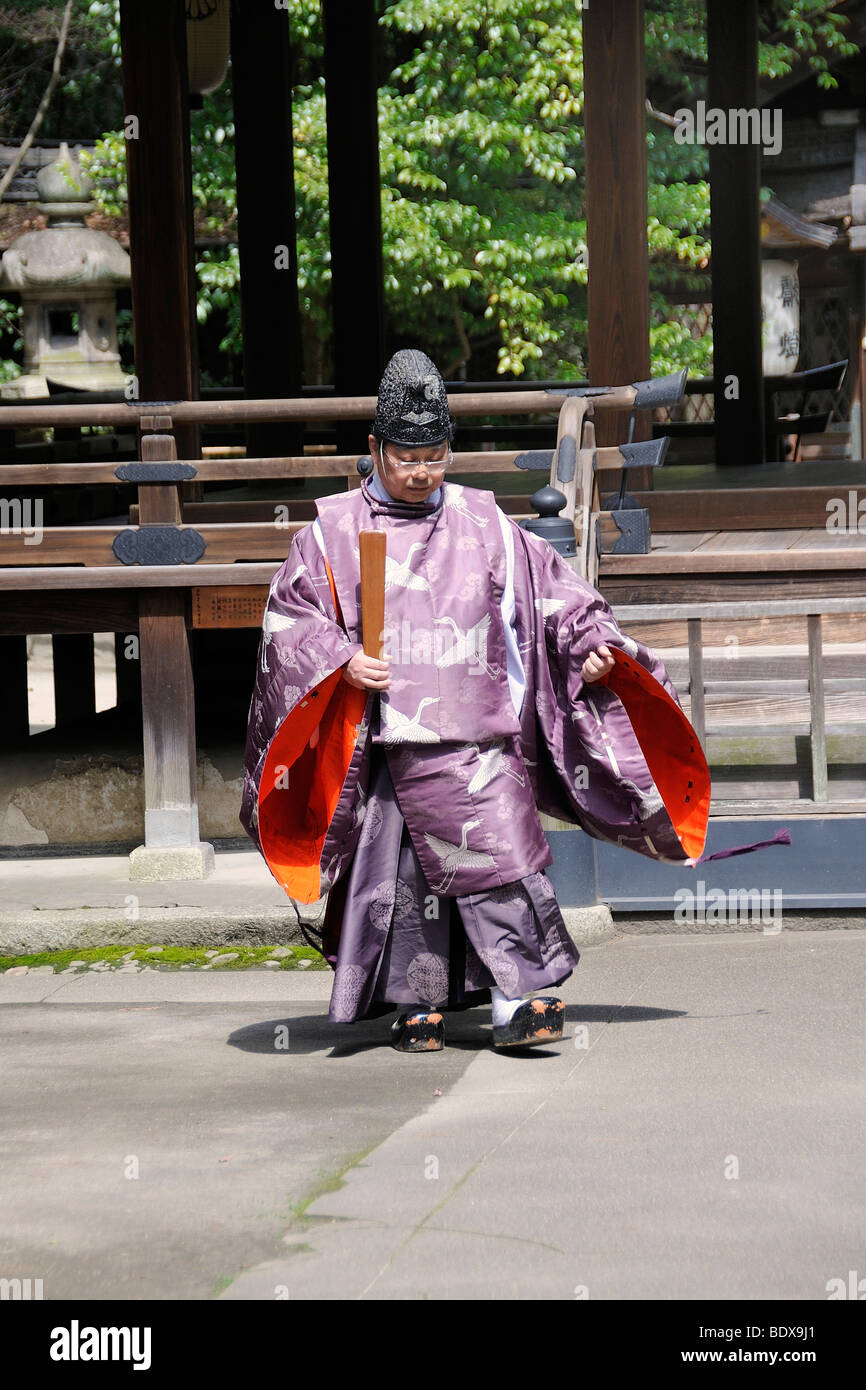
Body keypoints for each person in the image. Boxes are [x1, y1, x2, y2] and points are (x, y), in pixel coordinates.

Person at [240, 349, 709, 1052]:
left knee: (500, 857)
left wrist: (589, 638)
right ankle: (416, 1004)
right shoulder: (331, 532)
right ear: (374, 449)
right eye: (406, 457)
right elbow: (291, 621)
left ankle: (516, 1000)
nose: (422, 471)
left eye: (435, 455)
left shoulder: (484, 521)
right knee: (397, 881)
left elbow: (555, 591)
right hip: (386, 733)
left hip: (475, 727)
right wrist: (340, 662)